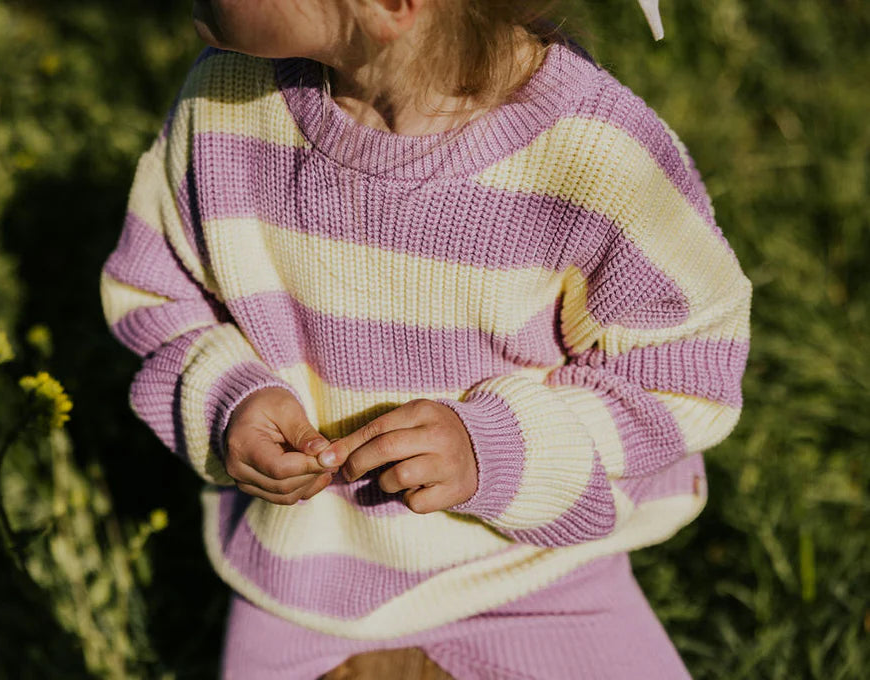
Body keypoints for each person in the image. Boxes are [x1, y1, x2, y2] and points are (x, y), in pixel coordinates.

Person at [99, 0, 752, 677]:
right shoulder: (225, 105)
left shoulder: (596, 159)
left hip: (533, 571)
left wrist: (495, 447)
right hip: (309, 573)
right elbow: (158, 296)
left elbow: (686, 371)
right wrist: (229, 397)